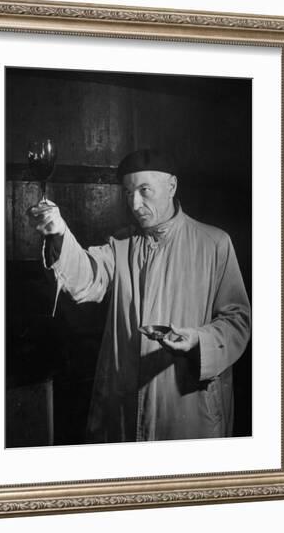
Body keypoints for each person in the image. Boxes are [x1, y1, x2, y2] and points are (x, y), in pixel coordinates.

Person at [28, 149, 251, 443]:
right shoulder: (121, 243)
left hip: (186, 401)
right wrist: (59, 234)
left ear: (171, 186)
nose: (135, 203)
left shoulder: (214, 243)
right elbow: (86, 277)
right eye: (128, 192)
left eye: (144, 190)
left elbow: (238, 321)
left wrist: (198, 339)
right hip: (126, 397)